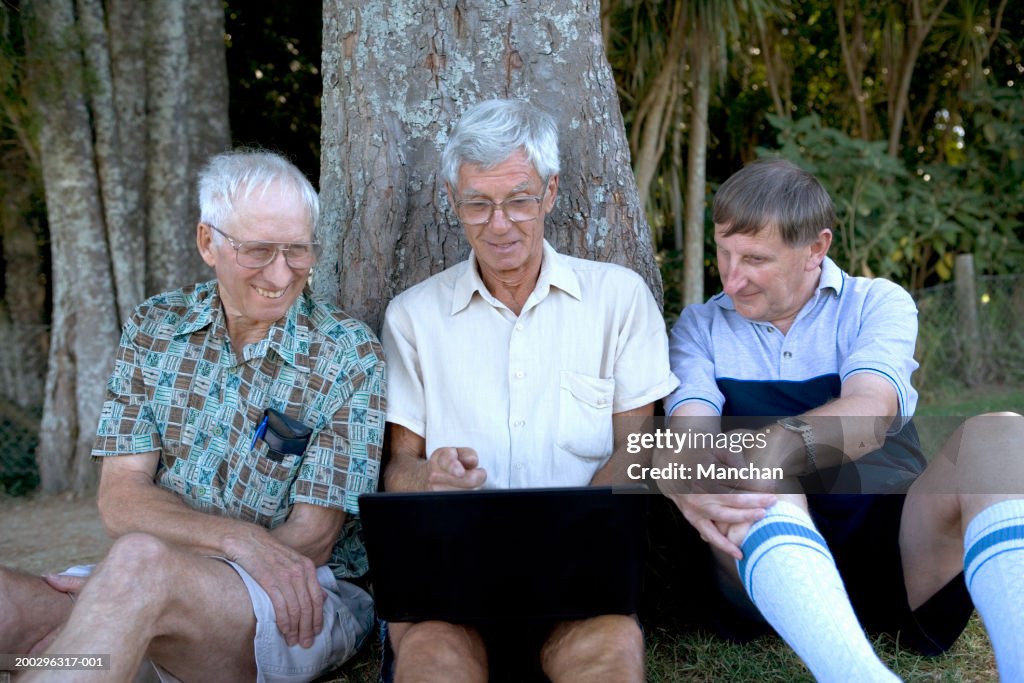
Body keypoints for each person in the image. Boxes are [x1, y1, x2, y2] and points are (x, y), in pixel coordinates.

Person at [0, 150, 386, 683]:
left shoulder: (346, 353)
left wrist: (150, 581)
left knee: (133, 566)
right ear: (209, 243)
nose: (281, 272)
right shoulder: (155, 326)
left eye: (298, 250)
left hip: (298, 596)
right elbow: (121, 498)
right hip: (151, 577)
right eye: (258, 251)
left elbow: (311, 538)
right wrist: (160, 576)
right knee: (11, 610)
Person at [659, 157, 1024, 681]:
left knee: (1002, 433)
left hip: (895, 558)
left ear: (816, 249)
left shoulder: (875, 302)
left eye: (756, 259)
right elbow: (690, 439)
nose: (732, 279)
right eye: (724, 251)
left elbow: (872, 411)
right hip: (768, 564)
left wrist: (775, 445)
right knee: (746, 474)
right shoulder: (699, 327)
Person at [379, 98, 679, 683]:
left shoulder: (618, 300)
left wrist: (576, 531)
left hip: (581, 583)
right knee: (432, 663)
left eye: (518, 200)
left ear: (549, 193)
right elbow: (399, 469)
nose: (499, 224)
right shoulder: (412, 317)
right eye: (478, 204)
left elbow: (637, 452)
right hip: (450, 585)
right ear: (452, 201)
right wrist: (431, 474)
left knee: (611, 658)